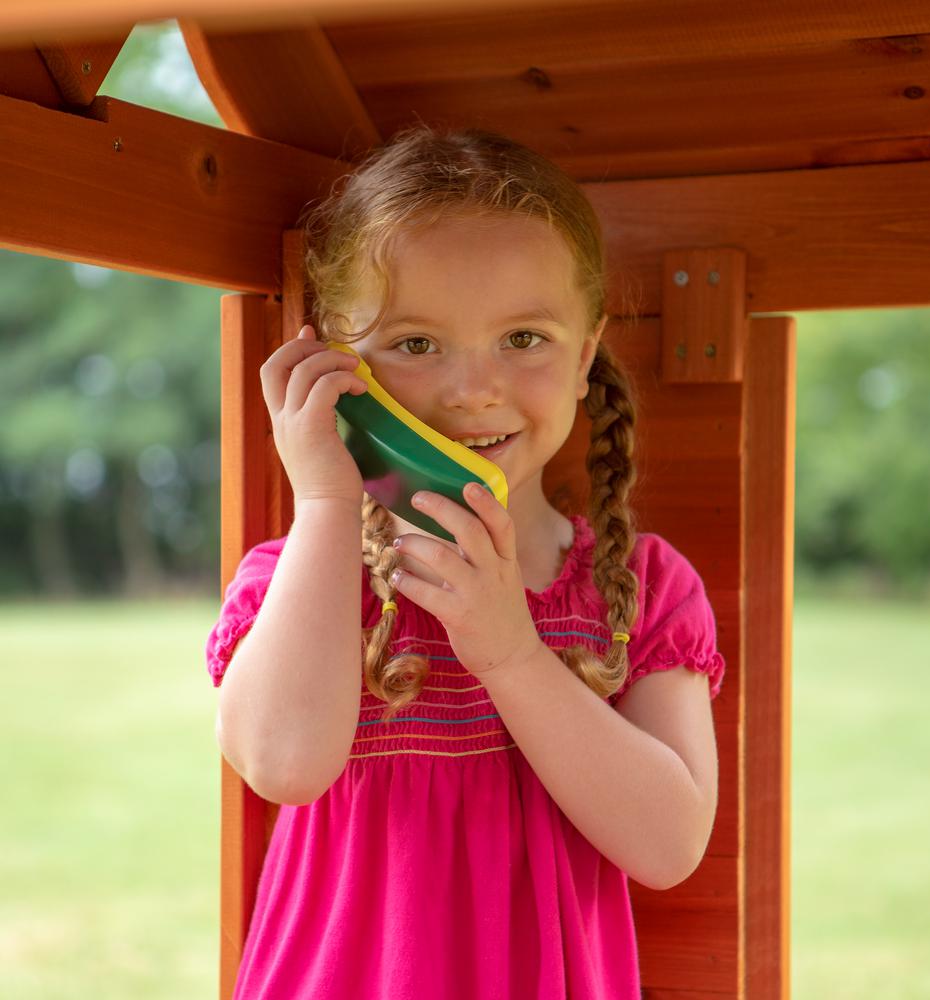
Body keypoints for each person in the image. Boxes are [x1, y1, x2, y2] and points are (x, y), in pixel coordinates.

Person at [204, 123, 726, 999]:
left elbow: (668, 846)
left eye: (524, 339)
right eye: (416, 345)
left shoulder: (640, 588)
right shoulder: (299, 573)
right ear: (338, 363)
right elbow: (284, 764)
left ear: (587, 351)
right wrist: (330, 502)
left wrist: (512, 653)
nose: (473, 389)